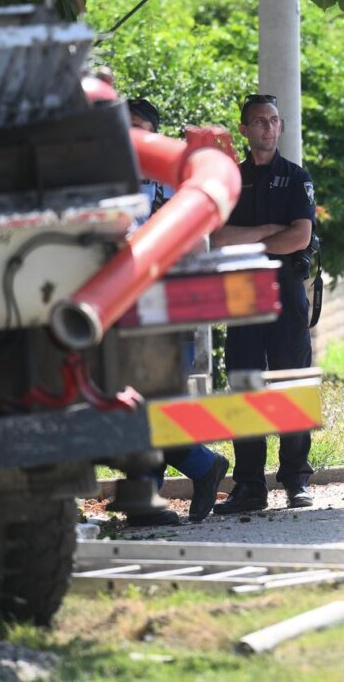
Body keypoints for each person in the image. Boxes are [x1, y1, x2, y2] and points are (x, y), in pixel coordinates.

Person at [121, 97, 230, 525]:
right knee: (131, 403)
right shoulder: (106, 181)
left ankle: (162, 488)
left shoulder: (172, 181)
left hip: (165, 310)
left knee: (155, 403)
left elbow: (195, 242)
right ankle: (197, 468)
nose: (131, 135)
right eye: (124, 126)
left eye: (139, 127)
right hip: (119, 312)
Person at [211, 94, 316, 514]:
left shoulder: (295, 177)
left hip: (285, 290)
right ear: (244, 129)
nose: (268, 128)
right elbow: (218, 238)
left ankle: (296, 479)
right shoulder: (230, 181)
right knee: (246, 385)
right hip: (242, 291)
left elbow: (300, 237)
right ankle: (250, 486)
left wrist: (250, 238)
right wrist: (271, 232)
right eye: (259, 121)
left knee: (291, 383)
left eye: (273, 120)